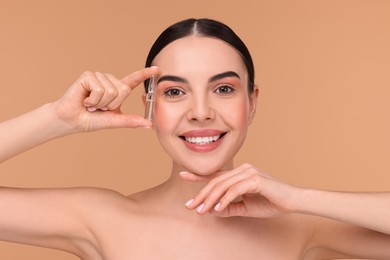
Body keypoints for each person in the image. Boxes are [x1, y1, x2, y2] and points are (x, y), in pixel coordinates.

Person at [0, 18, 390, 260]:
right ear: (150, 104)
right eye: (174, 92)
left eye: (223, 89)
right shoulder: (101, 219)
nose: (200, 111)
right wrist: (57, 117)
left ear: (252, 103)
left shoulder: (302, 225)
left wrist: (300, 198)